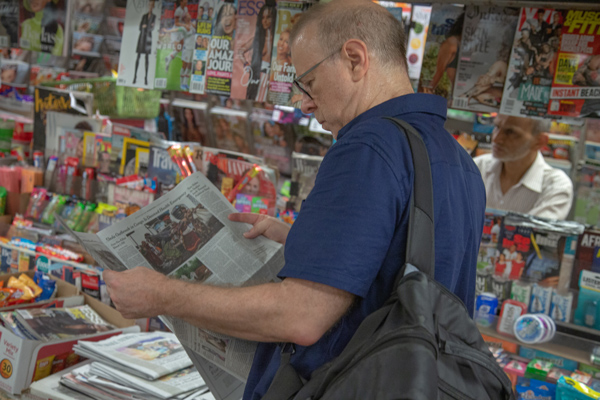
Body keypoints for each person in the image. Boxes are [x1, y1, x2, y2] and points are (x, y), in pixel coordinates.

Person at [104, 2, 486, 399]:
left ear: (355, 59)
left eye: (310, 82)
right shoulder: (456, 158)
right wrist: (304, 239)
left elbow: (302, 316)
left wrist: (162, 295)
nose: (304, 102)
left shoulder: (367, 148)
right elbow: (409, 269)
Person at [474, 115, 573, 220]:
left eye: (511, 132)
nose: (496, 139)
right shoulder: (477, 167)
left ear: (539, 141)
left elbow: (533, 233)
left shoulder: (556, 185)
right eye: (497, 127)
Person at [237, 3, 276, 101]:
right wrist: (246, 64)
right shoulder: (257, 39)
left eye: (268, 17)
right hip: (258, 77)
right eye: (263, 17)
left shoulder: (278, 40)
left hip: (272, 79)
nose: (265, 21)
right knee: (254, 99)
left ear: (274, 18)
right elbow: (240, 51)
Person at [421, 12, 464, 100]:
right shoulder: (451, 43)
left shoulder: (462, 45)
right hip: (443, 96)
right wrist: (426, 95)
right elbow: (438, 72)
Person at [133, 0, 156, 85]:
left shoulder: (154, 17)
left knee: (147, 59)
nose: (150, 7)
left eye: (151, 5)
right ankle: (135, 77)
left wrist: (146, 26)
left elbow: (152, 28)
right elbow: (140, 27)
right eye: (149, 5)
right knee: (138, 57)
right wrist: (146, 26)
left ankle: (145, 78)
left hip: (148, 39)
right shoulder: (144, 16)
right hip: (142, 38)